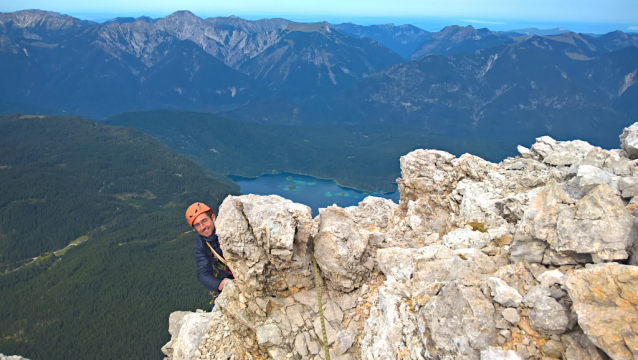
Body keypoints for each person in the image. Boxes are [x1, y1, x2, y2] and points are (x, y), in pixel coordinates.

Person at [185, 202, 233, 309]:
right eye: (197, 225)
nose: (202, 227)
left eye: (204, 221)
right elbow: (203, 273)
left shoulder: (229, 230)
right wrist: (219, 284)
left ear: (213, 217)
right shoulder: (202, 242)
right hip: (224, 284)